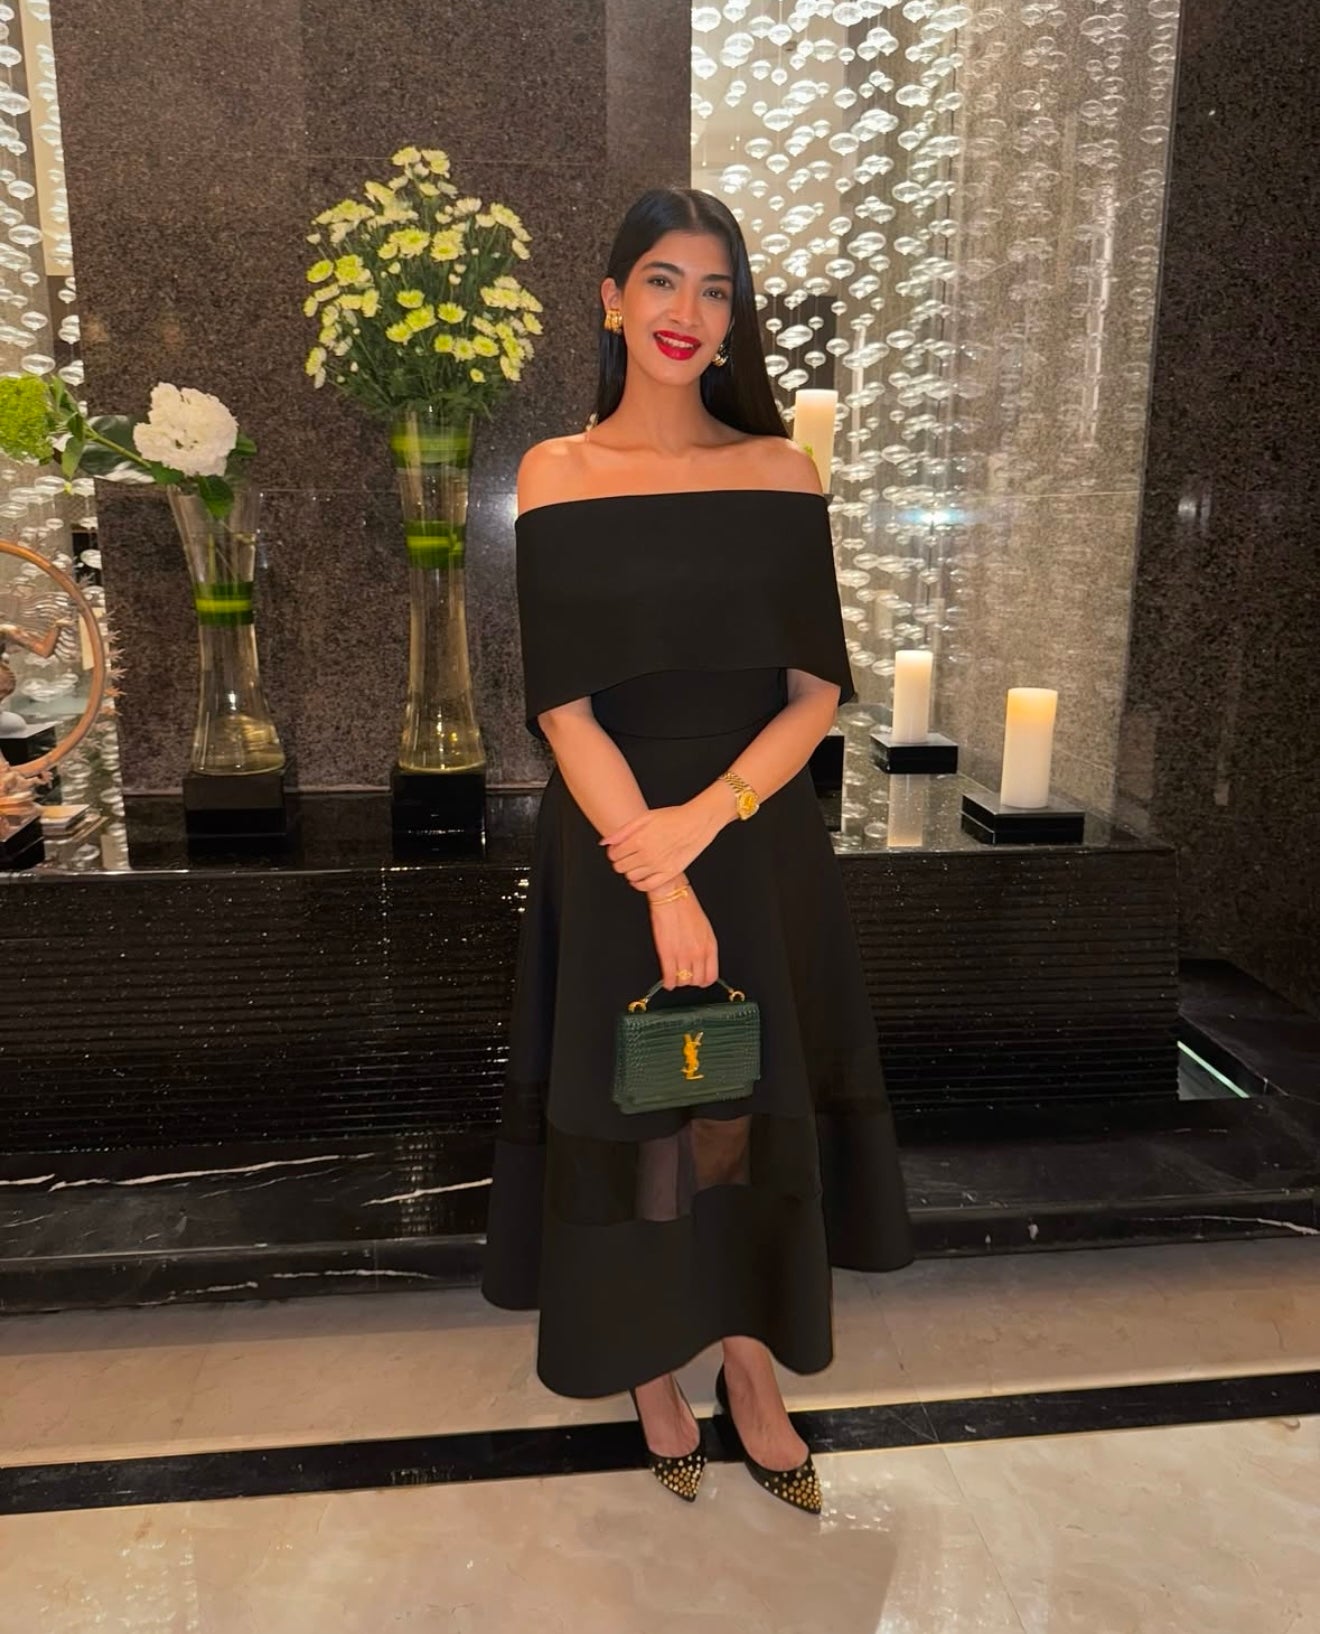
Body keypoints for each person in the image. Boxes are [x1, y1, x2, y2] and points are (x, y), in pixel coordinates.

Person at [481, 187, 914, 1515]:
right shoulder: (556, 472)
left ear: (736, 317)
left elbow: (815, 694)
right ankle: (645, 1364)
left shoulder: (778, 471)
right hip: (619, 844)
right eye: (662, 280)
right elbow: (564, 708)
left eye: (716, 288)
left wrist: (706, 822)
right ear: (611, 299)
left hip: (753, 839)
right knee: (644, 1104)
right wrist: (658, 871)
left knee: (742, 1101)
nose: (688, 311)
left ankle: (748, 1357)